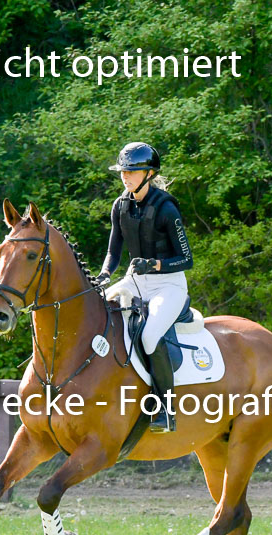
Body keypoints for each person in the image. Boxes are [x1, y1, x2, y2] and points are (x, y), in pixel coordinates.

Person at [97, 142, 193, 433]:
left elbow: (186, 259)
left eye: (132, 171)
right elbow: (113, 251)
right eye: (123, 171)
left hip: (169, 285)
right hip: (135, 281)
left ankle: (166, 409)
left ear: (149, 174)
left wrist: (155, 264)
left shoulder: (166, 208)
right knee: (96, 313)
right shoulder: (120, 205)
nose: (125, 176)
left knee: (150, 336)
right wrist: (104, 274)